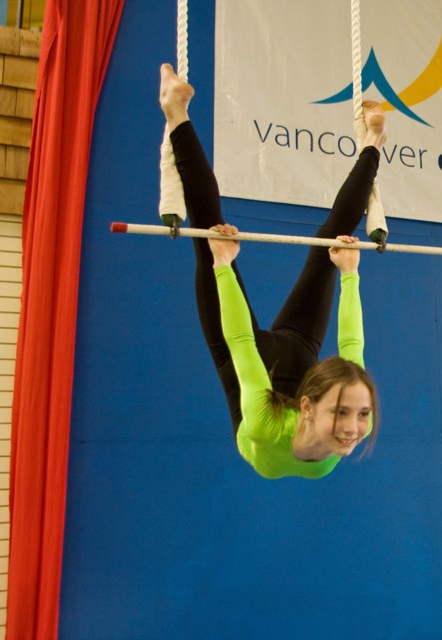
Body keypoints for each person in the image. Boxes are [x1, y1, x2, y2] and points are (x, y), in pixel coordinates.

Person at [159, 63, 384, 478]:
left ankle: (175, 113)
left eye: (352, 415)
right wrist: (349, 273)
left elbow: (241, 342)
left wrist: (222, 265)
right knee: (331, 243)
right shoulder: (329, 459)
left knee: (208, 230)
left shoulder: (264, 427)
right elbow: (352, 347)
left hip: (247, 367)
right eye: (356, 412)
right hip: (299, 355)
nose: (354, 428)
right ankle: (374, 141)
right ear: (310, 404)